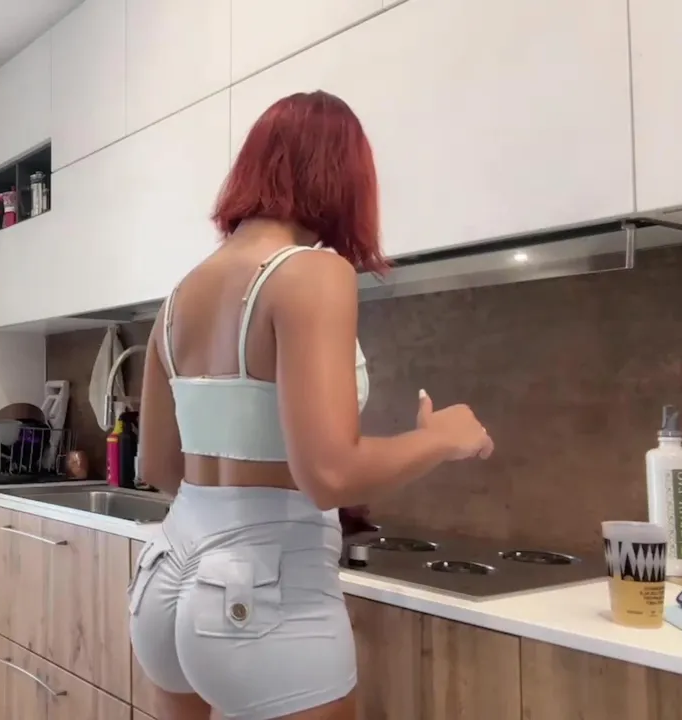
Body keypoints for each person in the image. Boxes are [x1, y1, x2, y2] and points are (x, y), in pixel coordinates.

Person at [128, 90, 495, 720]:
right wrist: (442, 437)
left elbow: (158, 466)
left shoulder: (179, 296)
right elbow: (329, 474)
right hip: (262, 592)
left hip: (166, 579)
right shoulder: (312, 273)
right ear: (343, 178)